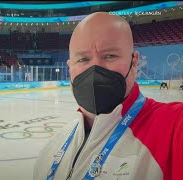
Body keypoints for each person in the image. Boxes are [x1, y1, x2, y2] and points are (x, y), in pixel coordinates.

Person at [33, 12, 183, 180]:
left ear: (134, 62)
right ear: (70, 68)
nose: (95, 68)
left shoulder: (172, 128)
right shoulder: (53, 147)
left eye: (110, 55)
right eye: (83, 59)